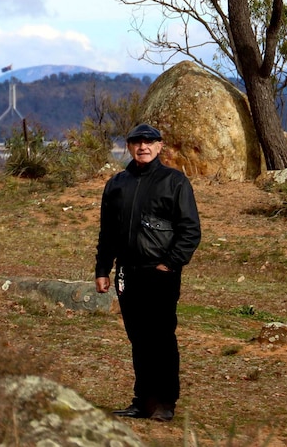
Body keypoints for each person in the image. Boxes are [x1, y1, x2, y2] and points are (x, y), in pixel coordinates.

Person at [95, 123, 201, 421]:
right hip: (128, 273)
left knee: (161, 337)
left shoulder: (174, 182)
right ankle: (143, 401)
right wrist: (103, 269)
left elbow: (190, 230)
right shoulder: (117, 184)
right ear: (128, 146)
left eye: (149, 142)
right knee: (138, 338)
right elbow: (107, 233)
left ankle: (165, 402)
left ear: (159, 146)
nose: (143, 147)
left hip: (160, 274)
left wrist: (169, 264)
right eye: (137, 142)